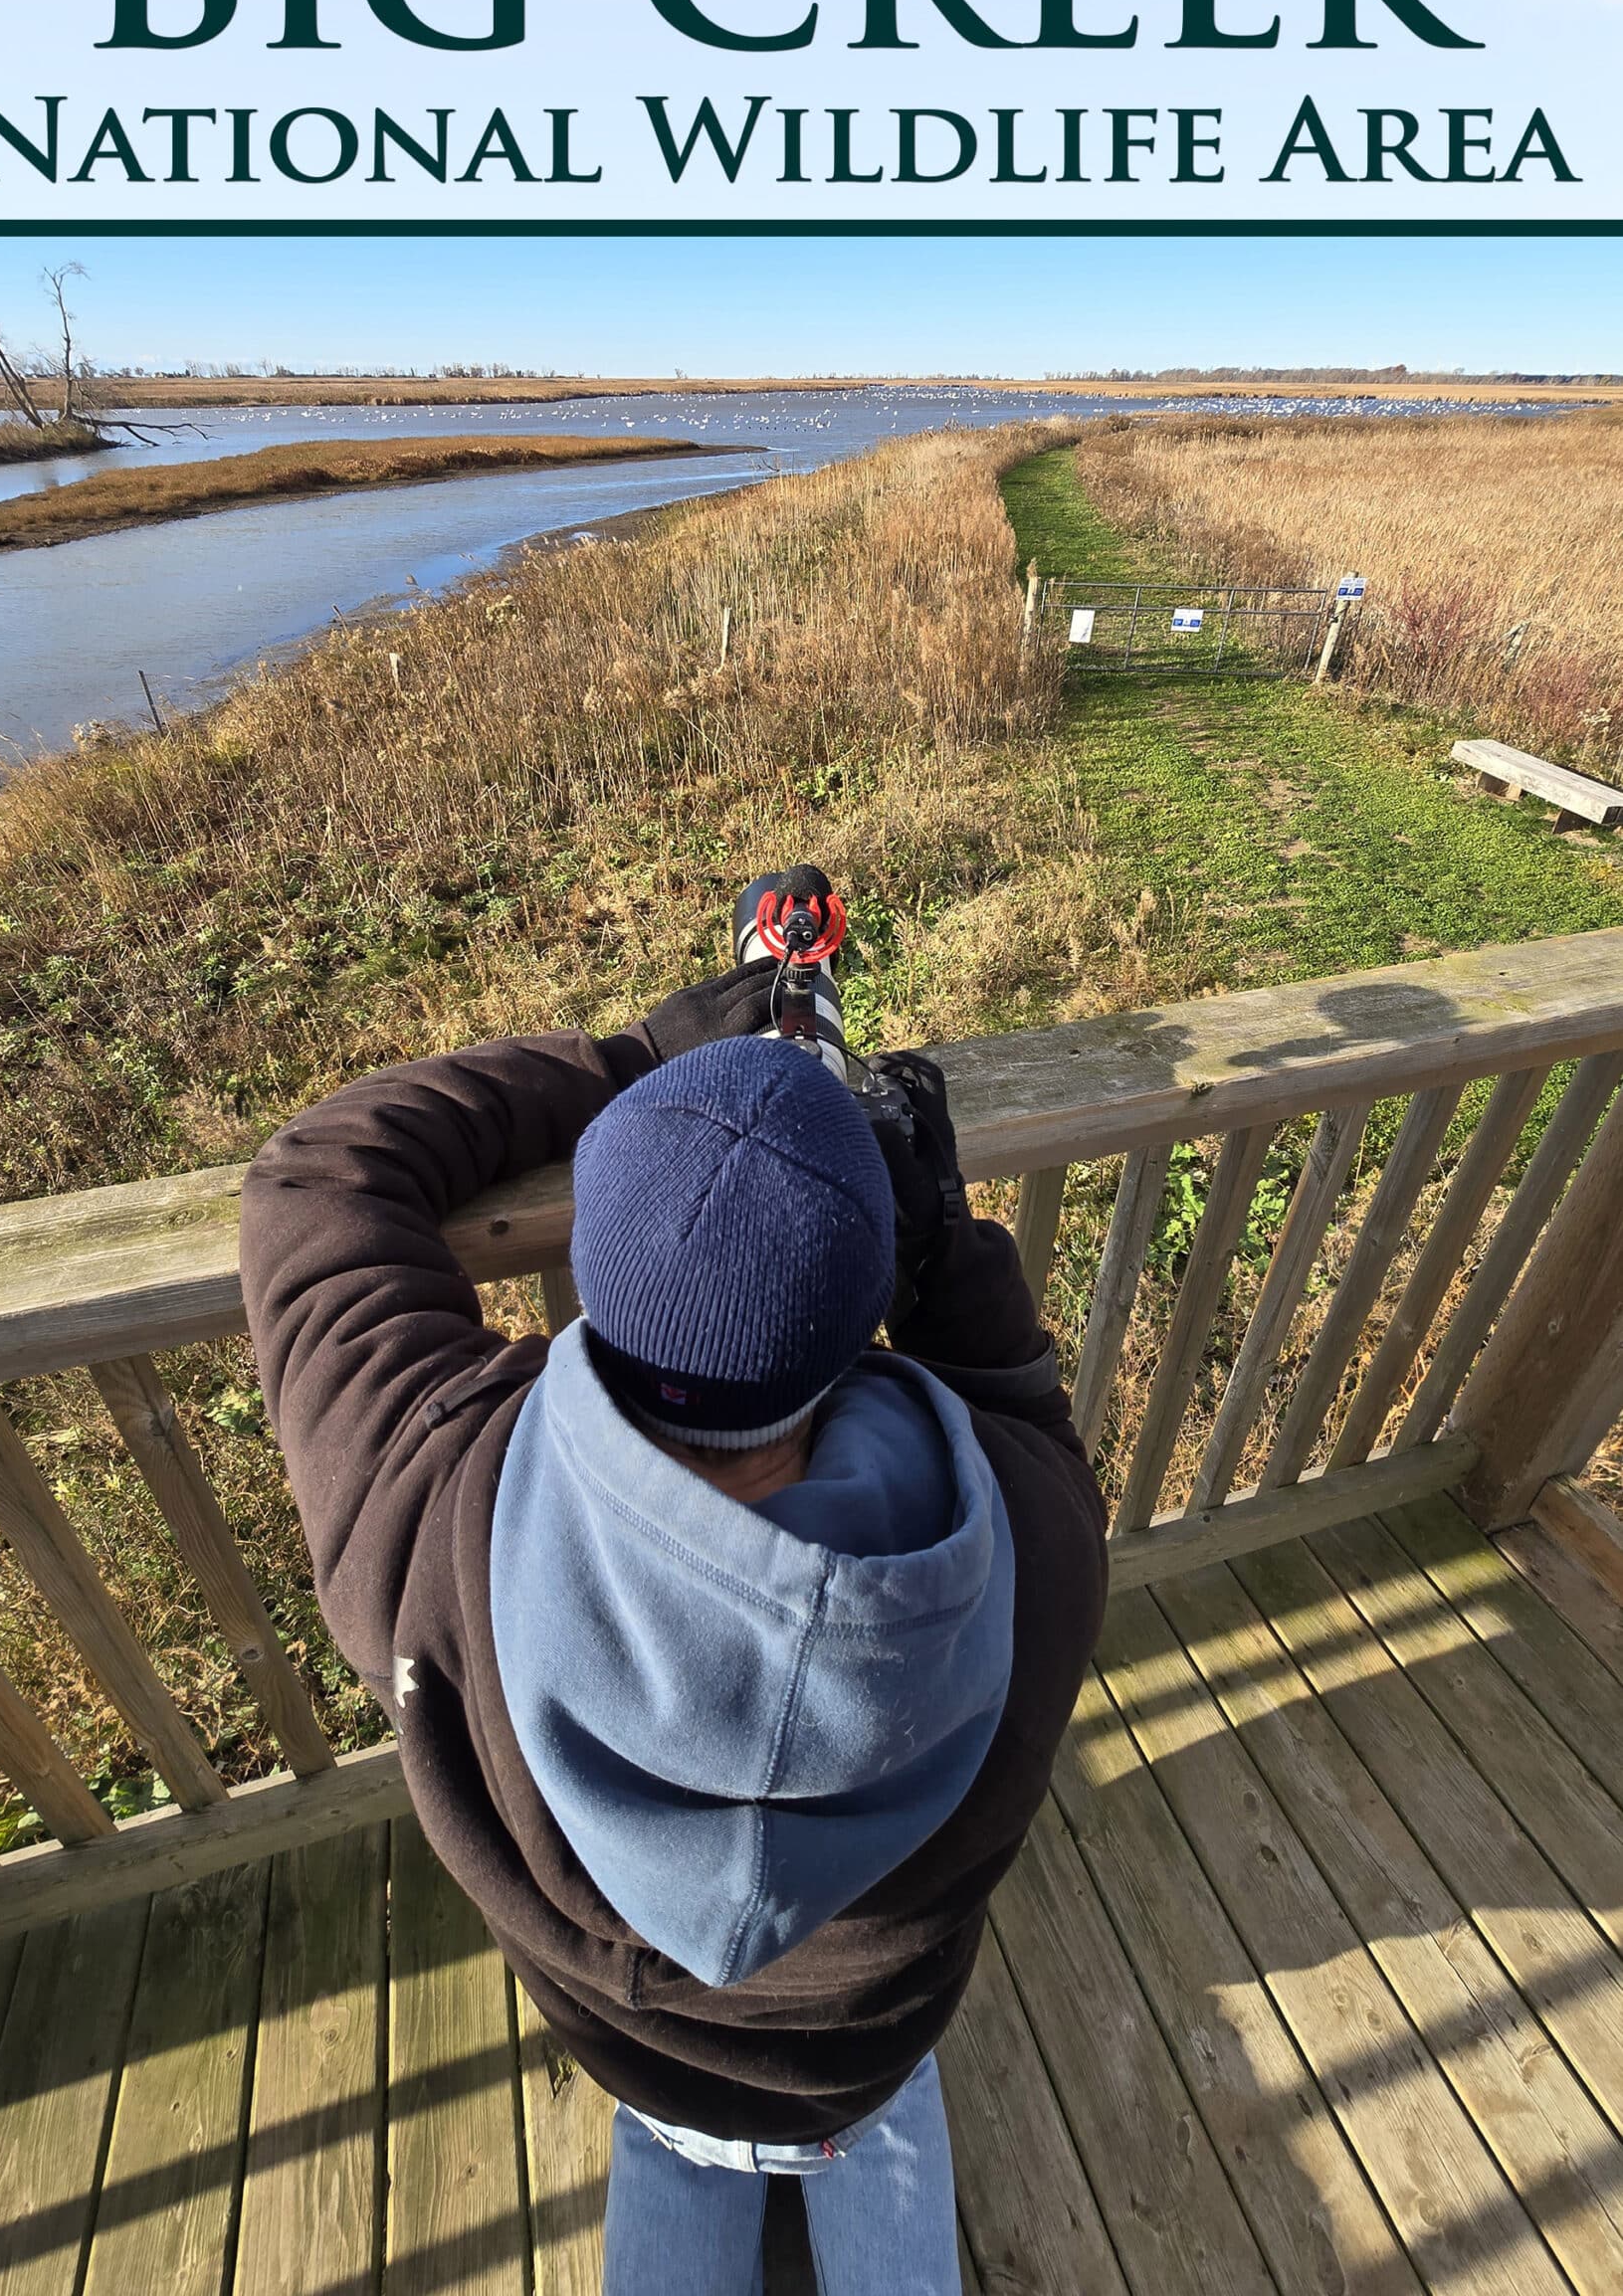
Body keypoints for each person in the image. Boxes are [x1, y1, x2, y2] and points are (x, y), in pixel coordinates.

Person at [240, 953, 1109, 2295]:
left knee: (679, 2142)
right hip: (858, 2056)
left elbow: (320, 1174)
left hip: (628, 2046)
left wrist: (634, 1058)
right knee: (867, 2136)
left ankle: (706, 2137)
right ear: (854, 1325)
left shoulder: (420, 1496)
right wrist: (947, 1259)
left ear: (593, 1266)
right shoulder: (1024, 1548)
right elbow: (1027, 1415)